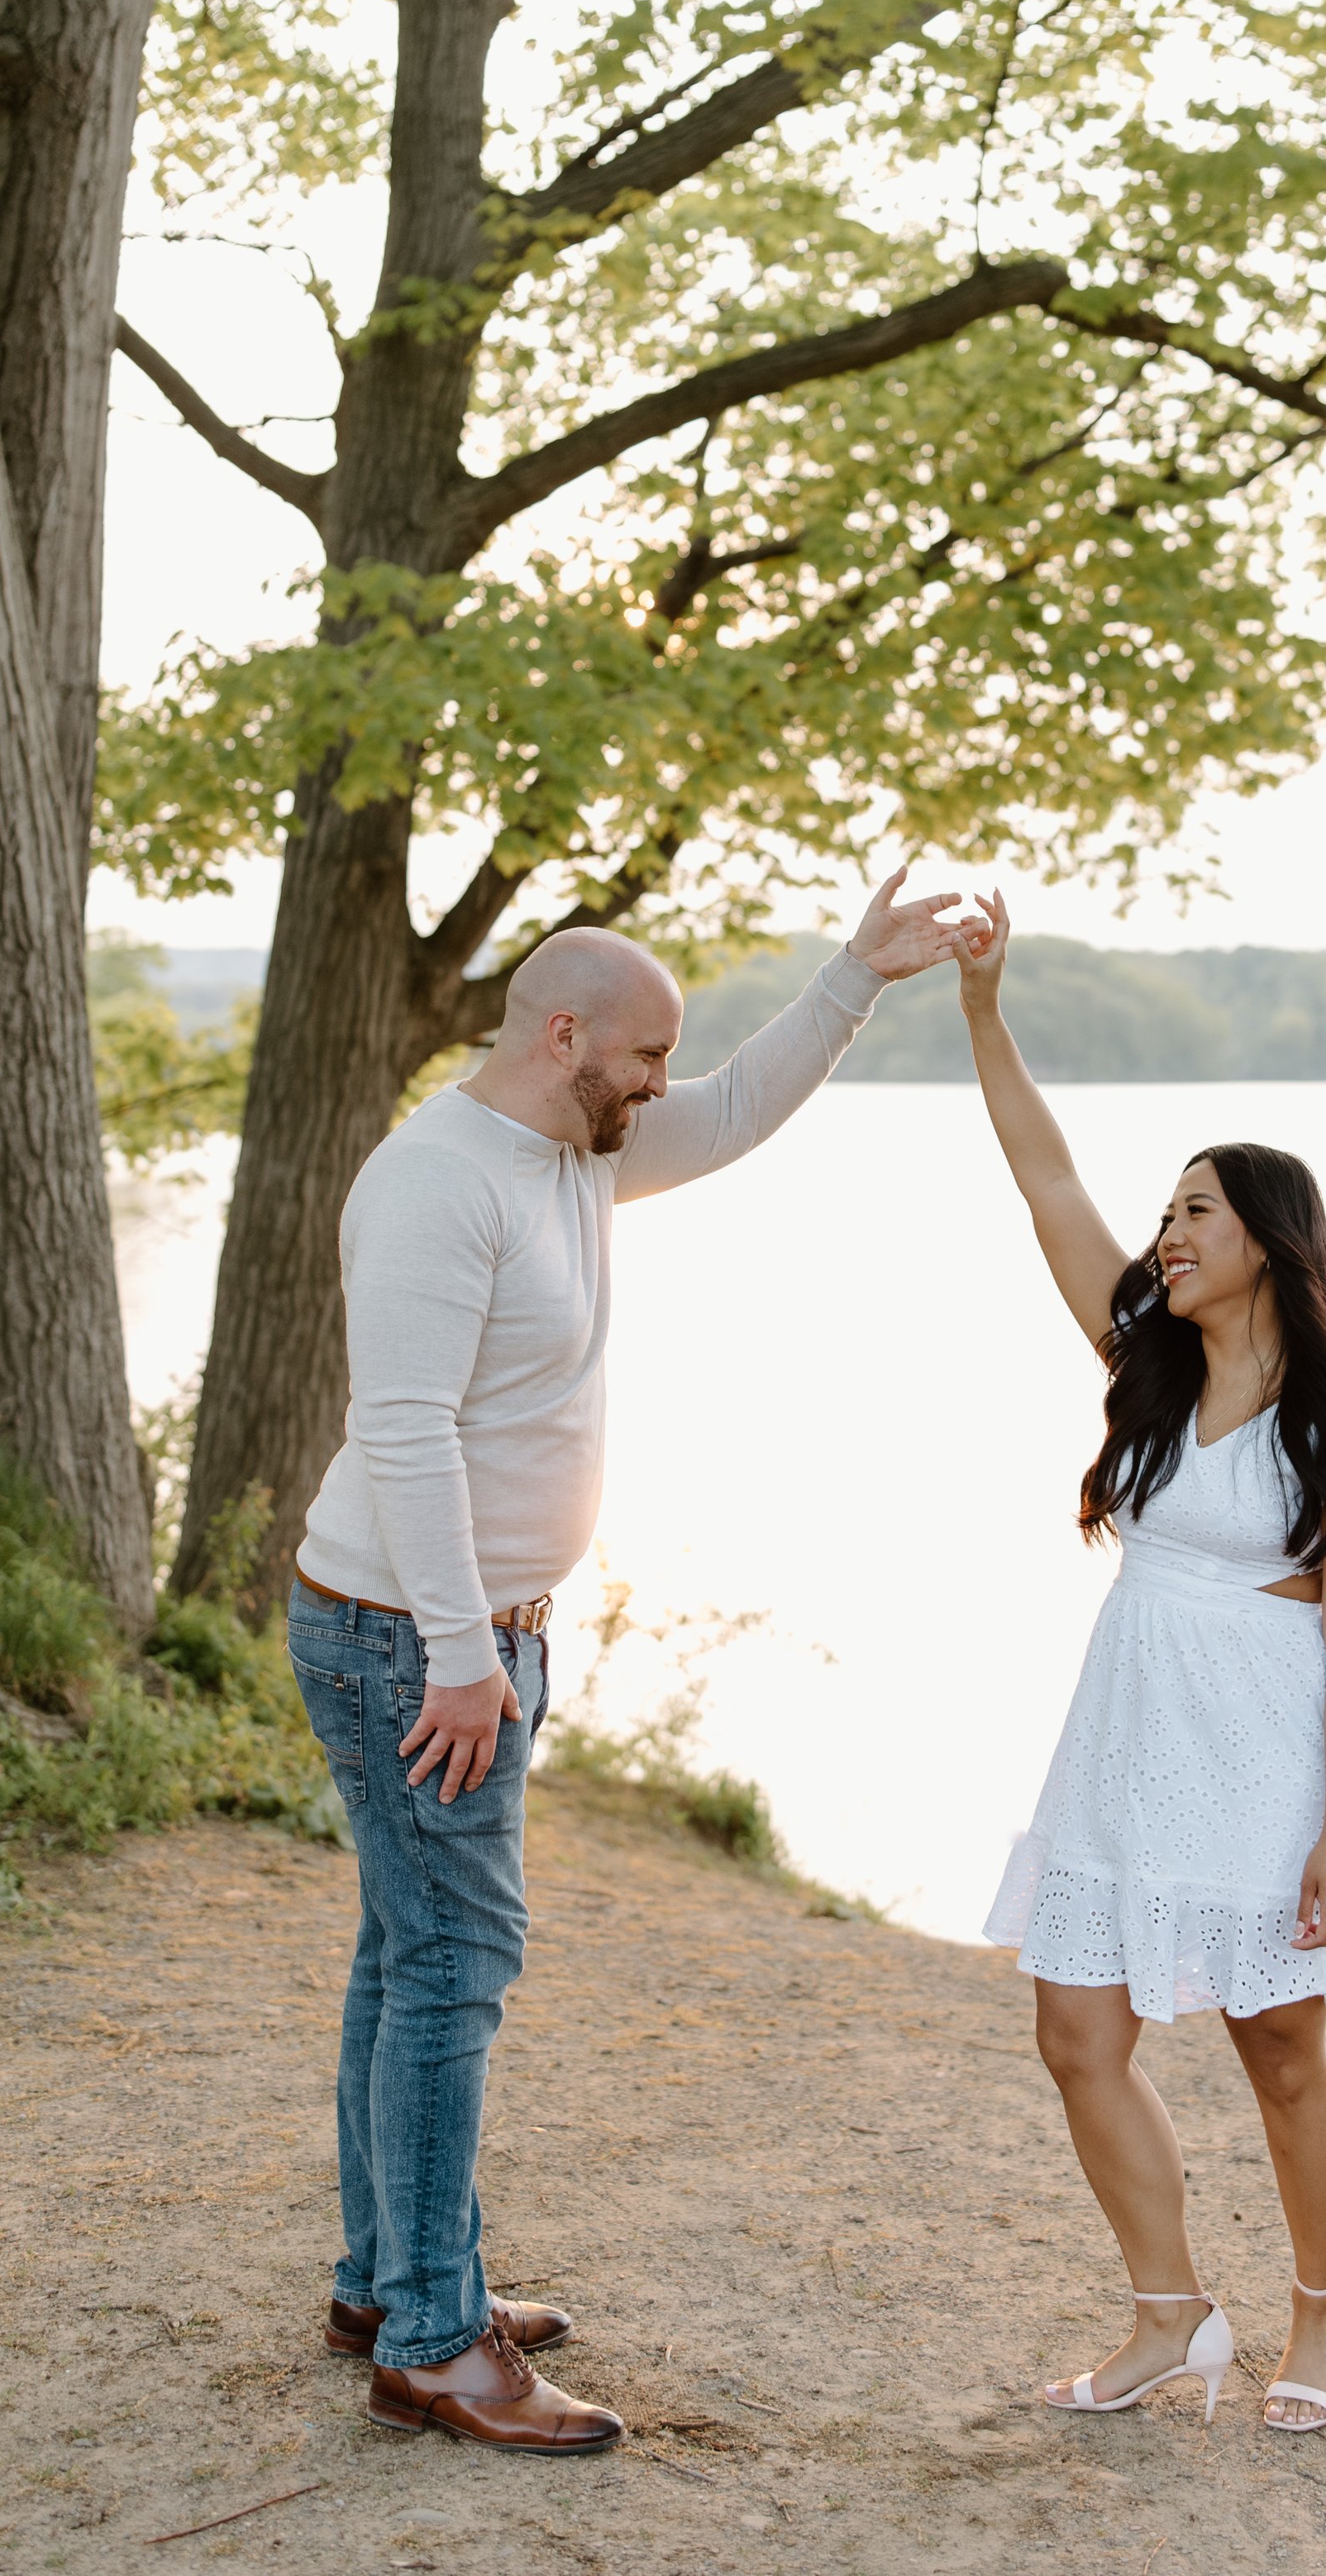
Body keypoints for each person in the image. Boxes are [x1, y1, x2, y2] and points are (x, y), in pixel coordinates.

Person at [287, 868, 978, 2454]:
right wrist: (466, 1659)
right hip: (413, 1642)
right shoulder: (433, 1182)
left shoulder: (569, 1151)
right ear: (566, 1031)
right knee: (455, 1964)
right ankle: (437, 2345)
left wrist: (857, 977)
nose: (662, 1085)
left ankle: (387, 2280)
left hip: (449, 1634)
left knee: (408, 1955)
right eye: (646, 1057)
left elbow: (734, 1111)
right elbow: (401, 1433)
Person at [955, 890, 1326, 2436]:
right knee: (1075, 2032)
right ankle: (1171, 2314)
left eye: (1196, 1216)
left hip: (1260, 1763)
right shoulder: (1148, 1369)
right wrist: (983, 1008)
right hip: (1118, 1745)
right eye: (1165, 1213)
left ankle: (1324, 2304)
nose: (1165, 1236)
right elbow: (1045, 1180)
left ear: (1270, 1245)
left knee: (1281, 2051)